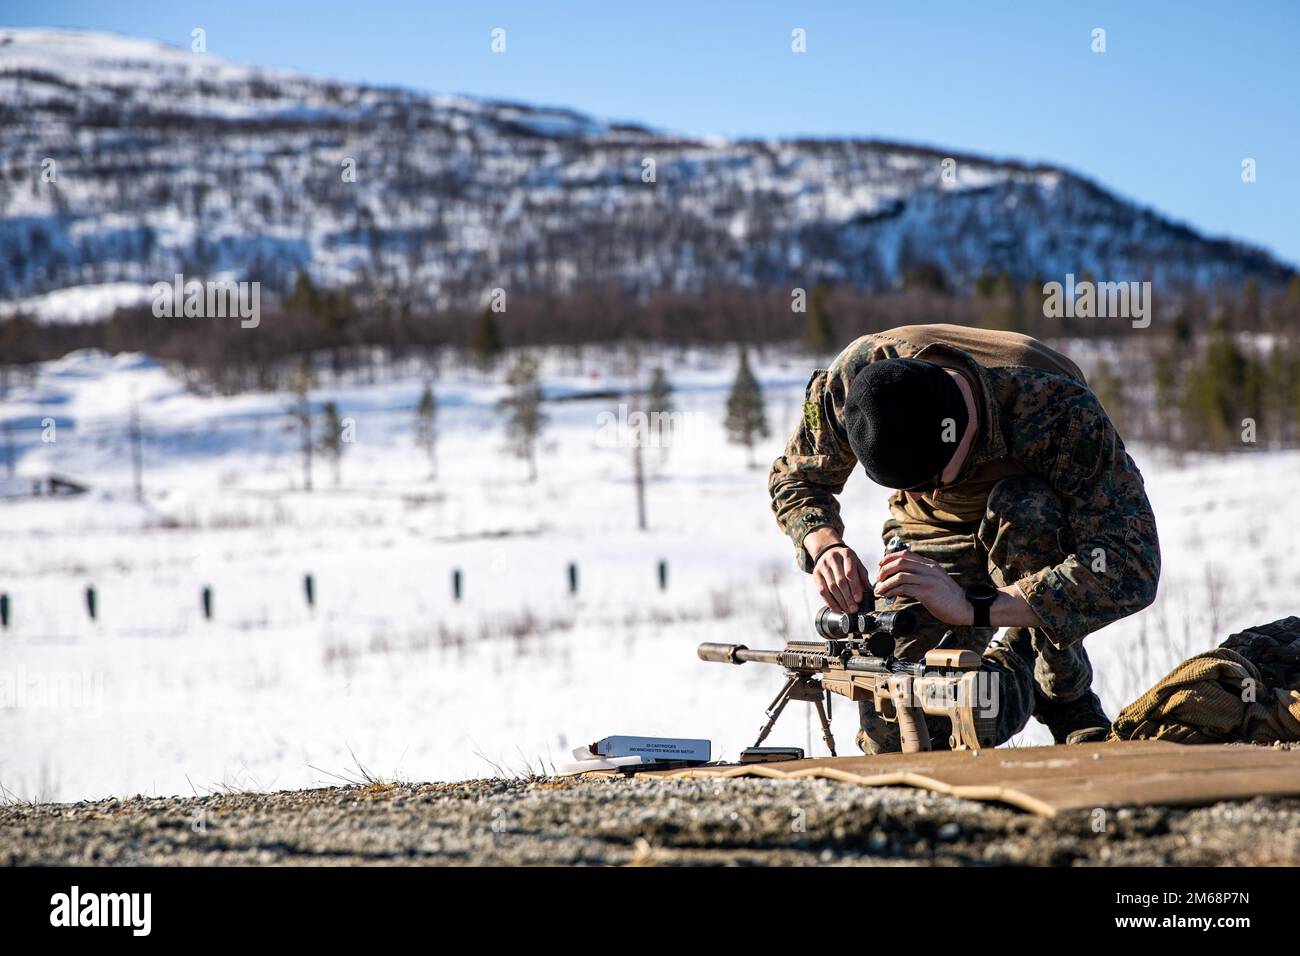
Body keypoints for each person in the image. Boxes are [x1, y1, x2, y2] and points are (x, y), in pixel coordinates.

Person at [769, 324, 1160, 751]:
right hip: (926, 533)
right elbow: (795, 477)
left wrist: (974, 607)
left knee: (1025, 509)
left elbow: (1130, 564)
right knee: (898, 715)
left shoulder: (1059, 410)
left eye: (928, 479)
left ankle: (1062, 690)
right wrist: (825, 544)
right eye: (908, 486)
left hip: (1030, 531)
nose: (922, 493)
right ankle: (1015, 675)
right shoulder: (857, 379)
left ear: (960, 429)